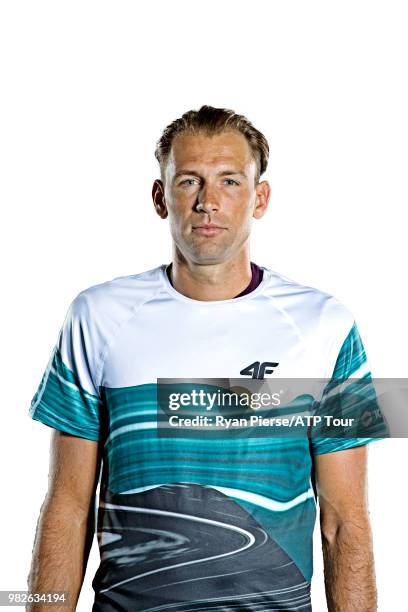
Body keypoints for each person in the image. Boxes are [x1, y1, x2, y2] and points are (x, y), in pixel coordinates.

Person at [27, 105, 384, 611]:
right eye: (189, 181)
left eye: (230, 182)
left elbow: (345, 519)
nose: (208, 202)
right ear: (160, 197)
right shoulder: (97, 316)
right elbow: (68, 506)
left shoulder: (325, 325)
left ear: (259, 198)